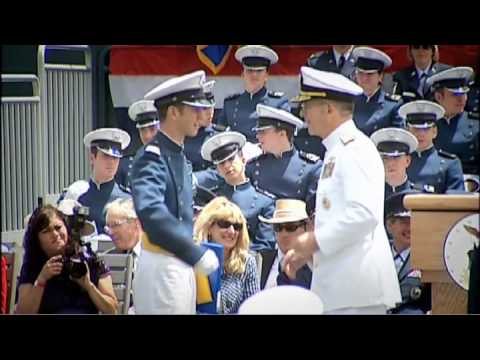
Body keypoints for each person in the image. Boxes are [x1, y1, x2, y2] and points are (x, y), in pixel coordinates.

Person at [283, 66, 401, 314]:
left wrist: (312, 241)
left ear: (329, 109)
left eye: (308, 105)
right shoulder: (338, 150)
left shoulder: (355, 149)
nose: (303, 113)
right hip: (344, 291)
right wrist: (310, 252)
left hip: (357, 293)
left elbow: (364, 215)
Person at [130, 70, 219, 314]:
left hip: (178, 263)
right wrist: (194, 253)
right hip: (163, 265)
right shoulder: (152, 157)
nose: (201, 116)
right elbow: (151, 211)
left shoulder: (177, 153)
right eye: (193, 109)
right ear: (173, 112)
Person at [15, 205, 117, 314]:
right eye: (46, 231)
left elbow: (112, 311)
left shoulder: (87, 259)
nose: (55, 234)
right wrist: (41, 279)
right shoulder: (33, 266)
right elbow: (23, 312)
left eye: (58, 228)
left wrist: (89, 286)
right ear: (37, 239)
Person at [198, 131, 276, 251]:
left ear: (243, 159)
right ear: (217, 169)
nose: (227, 166)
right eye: (221, 163)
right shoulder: (211, 198)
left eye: (231, 159)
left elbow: (265, 247)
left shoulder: (264, 202)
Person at [245, 104, 323, 214]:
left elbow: (313, 213)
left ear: (282, 133)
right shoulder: (252, 166)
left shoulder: (312, 168)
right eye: (258, 132)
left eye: (263, 132)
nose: (258, 136)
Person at [194, 197, 259, 314]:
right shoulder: (193, 257)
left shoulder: (247, 262)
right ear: (209, 227)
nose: (232, 231)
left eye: (237, 226)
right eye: (225, 224)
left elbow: (252, 309)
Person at [62, 128, 132, 235]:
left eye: (116, 157)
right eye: (106, 155)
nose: (112, 162)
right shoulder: (76, 194)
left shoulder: (127, 200)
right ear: (92, 158)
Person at [216, 45, 290, 143]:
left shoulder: (279, 104)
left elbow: (284, 140)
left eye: (259, 71)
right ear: (242, 74)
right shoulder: (230, 104)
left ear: (267, 75)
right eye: (249, 70)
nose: (254, 75)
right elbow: (220, 136)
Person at [399, 100, 466, 194]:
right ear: (407, 130)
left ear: (434, 132)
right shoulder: (398, 162)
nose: (420, 134)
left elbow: (456, 202)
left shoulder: (450, 164)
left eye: (426, 129)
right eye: (415, 128)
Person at [384, 190, 431, 314]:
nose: (410, 227)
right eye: (404, 221)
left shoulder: (428, 258)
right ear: (389, 225)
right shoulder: (376, 254)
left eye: (415, 221)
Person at [426, 66, 479, 175]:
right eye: (455, 94)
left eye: (463, 93)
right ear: (439, 97)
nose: (461, 99)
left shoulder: (475, 123)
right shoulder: (427, 124)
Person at [258, 199, 312, 290]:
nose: (284, 233)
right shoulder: (261, 260)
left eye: (291, 227)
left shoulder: (313, 264)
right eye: (278, 227)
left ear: (306, 228)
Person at [351, 46, 404, 137]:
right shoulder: (349, 100)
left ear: (380, 76)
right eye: (360, 73)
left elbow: (397, 139)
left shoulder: (392, 105)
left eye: (369, 74)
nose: (364, 78)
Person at [370, 127, 429, 199]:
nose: (390, 163)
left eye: (396, 157)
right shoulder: (371, 194)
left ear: (407, 161)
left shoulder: (419, 195)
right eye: (385, 157)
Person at [116, 99, 160, 192]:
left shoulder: (177, 160)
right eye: (143, 130)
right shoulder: (126, 166)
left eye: (152, 129)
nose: (147, 136)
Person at [185, 80, 221, 171]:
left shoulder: (219, 136)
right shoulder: (181, 135)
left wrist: (195, 179)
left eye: (212, 107)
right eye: (204, 109)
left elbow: (220, 172)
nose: (210, 113)